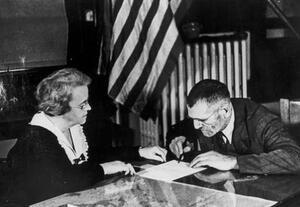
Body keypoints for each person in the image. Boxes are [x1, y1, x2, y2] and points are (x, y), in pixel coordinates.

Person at [5, 68, 167, 206]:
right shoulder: (36, 139)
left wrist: (139, 152)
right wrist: (104, 168)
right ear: (60, 108)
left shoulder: (73, 126)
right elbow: (65, 182)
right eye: (82, 105)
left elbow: (94, 156)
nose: (89, 108)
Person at [167, 79, 300, 174]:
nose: (196, 126)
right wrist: (179, 140)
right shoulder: (204, 115)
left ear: (225, 111)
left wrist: (234, 162)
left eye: (202, 120)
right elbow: (179, 129)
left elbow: (295, 158)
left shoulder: (260, 120)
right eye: (193, 119)